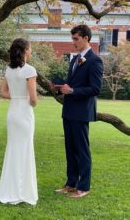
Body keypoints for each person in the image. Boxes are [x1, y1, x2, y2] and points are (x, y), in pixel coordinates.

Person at [53, 25, 103, 198]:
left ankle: (84, 187)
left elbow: (96, 89)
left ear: (86, 38)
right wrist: (61, 88)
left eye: (76, 39)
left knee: (82, 150)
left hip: (81, 112)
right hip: (68, 111)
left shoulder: (95, 60)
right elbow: (71, 83)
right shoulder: (75, 59)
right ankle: (71, 184)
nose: (73, 42)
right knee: (70, 149)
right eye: (72, 38)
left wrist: (72, 91)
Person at [0, 38, 38, 205]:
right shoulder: (30, 70)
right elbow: (33, 98)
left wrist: (18, 96)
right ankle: (23, 191)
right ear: (25, 51)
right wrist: (30, 100)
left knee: (13, 149)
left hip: (12, 113)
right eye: (30, 48)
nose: (31, 51)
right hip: (25, 113)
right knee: (25, 150)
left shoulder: (8, 70)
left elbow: (3, 93)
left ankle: (9, 189)